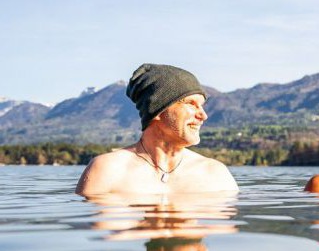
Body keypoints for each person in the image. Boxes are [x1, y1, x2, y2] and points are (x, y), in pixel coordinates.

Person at [76, 63, 238, 196]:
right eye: (190, 104)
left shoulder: (215, 174)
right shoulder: (107, 170)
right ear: (157, 110)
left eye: (201, 106)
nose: (203, 116)